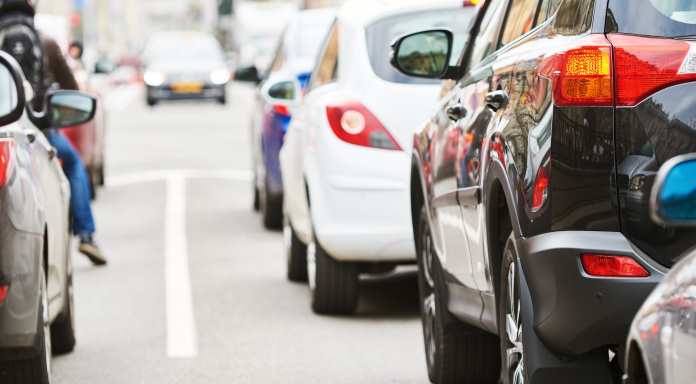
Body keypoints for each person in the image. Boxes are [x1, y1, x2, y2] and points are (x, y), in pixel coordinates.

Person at [0, 0, 107, 266]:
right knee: (72, 165)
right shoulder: (45, 43)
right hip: (37, 129)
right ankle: (86, 236)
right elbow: (71, 88)